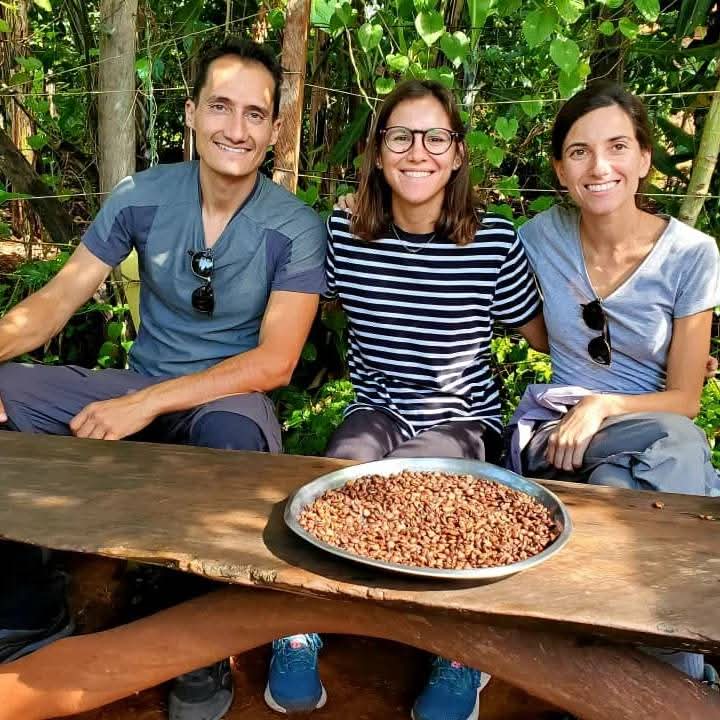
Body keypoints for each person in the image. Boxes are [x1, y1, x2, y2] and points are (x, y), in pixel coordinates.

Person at [0, 36, 327, 720]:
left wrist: (148, 402)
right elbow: (54, 305)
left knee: (232, 445)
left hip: (229, 401)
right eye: (220, 106)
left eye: (255, 114)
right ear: (191, 113)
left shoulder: (295, 227)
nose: (235, 128)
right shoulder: (142, 196)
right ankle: (30, 604)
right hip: (138, 387)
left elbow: (275, 363)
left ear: (274, 129)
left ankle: (195, 647)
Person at [263, 79, 546, 720]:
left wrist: (649, 356)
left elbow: (549, 337)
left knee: (418, 486)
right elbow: (294, 301)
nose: (418, 152)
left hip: (464, 419)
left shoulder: (494, 243)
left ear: (457, 153)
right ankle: (300, 626)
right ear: (377, 151)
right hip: (377, 409)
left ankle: (458, 651)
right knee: (334, 478)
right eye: (401, 137)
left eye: (435, 137)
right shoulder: (343, 234)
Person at [509, 80, 720, 686]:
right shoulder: (537, 238)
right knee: (680, 447)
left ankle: (653, 673)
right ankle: (685, 677)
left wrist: (604, 405)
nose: (600, 167)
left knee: (618, 483)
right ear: (560, 168)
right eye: (579, 152)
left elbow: (684, 398)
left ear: (645, 159)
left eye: (618, 147)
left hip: (640, 433)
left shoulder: (692, 255)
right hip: (559, 431)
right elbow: (537, 333)